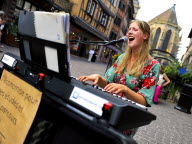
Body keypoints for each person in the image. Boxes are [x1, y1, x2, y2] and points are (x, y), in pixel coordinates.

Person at [78, 19, 160, 137]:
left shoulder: (153, 65)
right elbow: (107, 82)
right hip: (108, 108)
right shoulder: (122, 58)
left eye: (135, 30)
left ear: (145, 36)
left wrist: (125, 89)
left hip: (126, 117)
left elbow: (144, 101)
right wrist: (98, 78)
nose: (130, 32)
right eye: (129, 29)